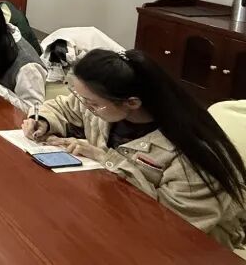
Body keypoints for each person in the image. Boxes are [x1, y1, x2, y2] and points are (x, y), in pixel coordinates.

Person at [23, 49, 246, 249]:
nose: (86, 106)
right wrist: (43, 121)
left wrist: (105, 158)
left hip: (192, 244)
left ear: (132, 103)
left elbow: (174, 225)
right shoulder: (105, 104)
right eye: (82, 98)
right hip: (116, 212)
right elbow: (64, 106)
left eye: (92, 103)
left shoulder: (193, 154)